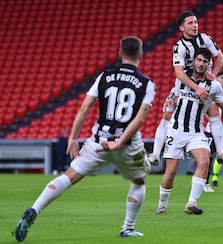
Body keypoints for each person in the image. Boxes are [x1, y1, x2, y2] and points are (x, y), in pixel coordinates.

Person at [13, 36, 156, 241]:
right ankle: (127, 228)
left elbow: (84, 107)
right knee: (139, 180)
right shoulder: (147, 83)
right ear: (141, 55)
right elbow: (141, 118)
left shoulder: (104, 76)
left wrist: (73, 138)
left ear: (120, 53)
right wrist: (120, 142)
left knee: (70, 176)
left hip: (98, 141)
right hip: (127, 145)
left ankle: (35, 209)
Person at [155, 48, 223, 215]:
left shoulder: (213, 86)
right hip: (176, 131)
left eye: (205, 61)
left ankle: (191, 202)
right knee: (170, 171)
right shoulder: (183, 78)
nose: (201, 64)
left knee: (205, 161)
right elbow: (173, 94)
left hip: (196, 132)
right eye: (199, 60)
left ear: (209, 65)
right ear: (193, 61)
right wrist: (171, 99)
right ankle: (162, 204)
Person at [147, 10, 223, 166]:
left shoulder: (205, 38)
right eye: (190, 23)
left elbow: (220, 57)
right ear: (182, 28)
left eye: (196, 22)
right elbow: (179, 73)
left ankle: (220, 152)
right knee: (168, 112)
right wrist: (195, 87)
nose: (195, 25)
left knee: (214, 111)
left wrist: (212, 75)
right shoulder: (179, 47)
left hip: (205, 85)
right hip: (184, 85)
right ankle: (155, 153)